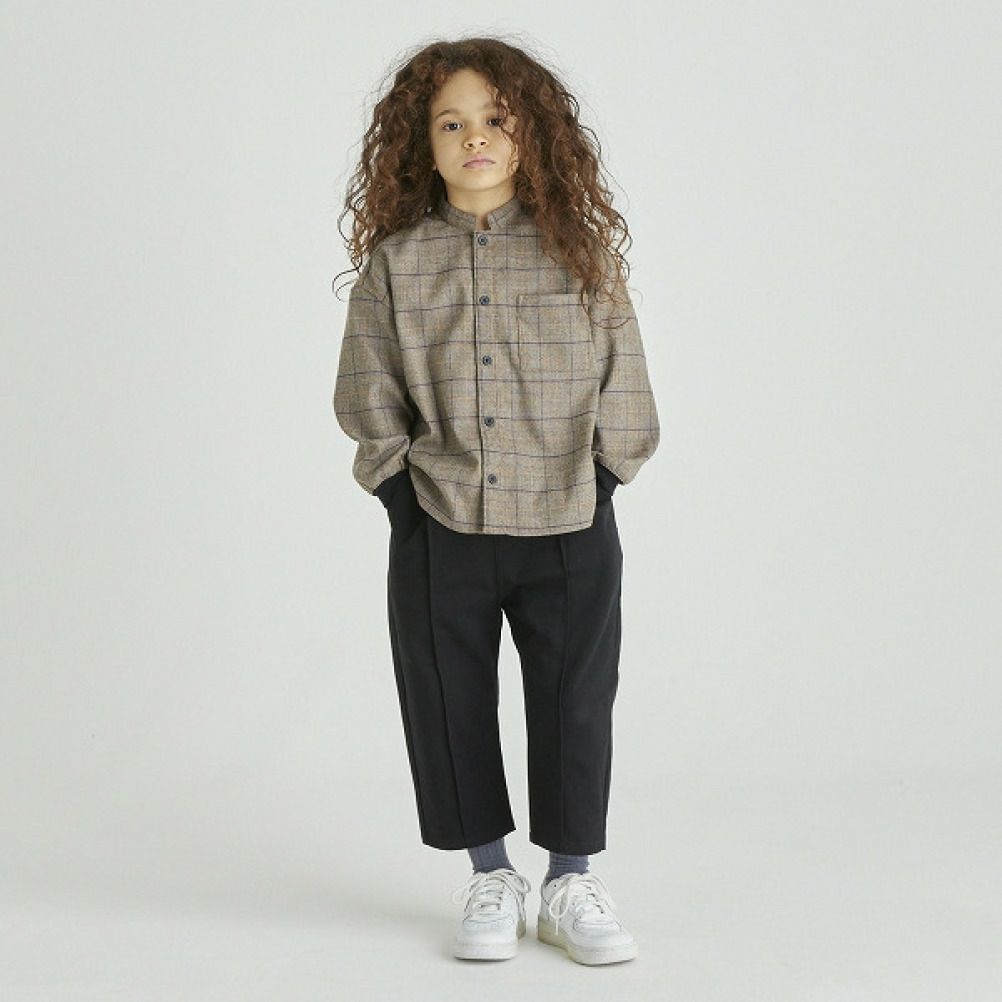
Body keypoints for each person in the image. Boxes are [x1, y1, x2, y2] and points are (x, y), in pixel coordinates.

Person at [331, 36, 660, 966]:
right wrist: (402, 499)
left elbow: (626, 383)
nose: (473, 137)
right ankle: (490, 874)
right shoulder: (396, 265)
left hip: (569, 522)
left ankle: (570, 881)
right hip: (440, 523)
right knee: (448, 701)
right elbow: (366, 388)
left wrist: (602, 482)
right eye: (451, 124)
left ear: (530, 134)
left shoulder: (580, 257)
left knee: (575, 702)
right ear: (421, 146)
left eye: (494, 119)